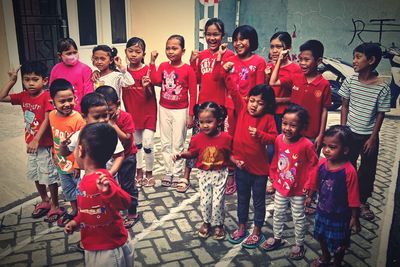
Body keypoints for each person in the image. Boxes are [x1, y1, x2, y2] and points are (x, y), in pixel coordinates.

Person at [64, 123, 134, 266]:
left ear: (81, 151)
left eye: (75, 147)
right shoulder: (85, 179)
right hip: (92, 245)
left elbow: (126, 202)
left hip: (109, 248)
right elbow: (88, 208)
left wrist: (110, 192)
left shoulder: (104, 180)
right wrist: (76, 221)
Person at [0, 61, 60, 221]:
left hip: (45, 145)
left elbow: (47, 119)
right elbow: (1, 97)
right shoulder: (23, 96)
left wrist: (36, 140)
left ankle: (55, 204)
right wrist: (12, 81)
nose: (30, 83)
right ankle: (45, 200)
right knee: (35, 174)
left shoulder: (47, 96)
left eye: (35, 79)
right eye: (27, 79)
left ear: (44, 80)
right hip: (32, 145)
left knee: (50, 176)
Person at [338, 42, 391, 220]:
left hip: (369, 136)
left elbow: (380, 114)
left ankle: (362, 201)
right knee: (348, 166)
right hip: (350, 133)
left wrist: (373, 138)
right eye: (354, 57)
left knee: (367, 170)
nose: (354, 61)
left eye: (358, 57)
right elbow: (344, 105)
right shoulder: (350, 80)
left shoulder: (382, 86)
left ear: (371, 60)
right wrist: (343, 129)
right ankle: (347, 199)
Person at [261, 104, 319, 260]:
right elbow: (276, 158)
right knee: (278, 213)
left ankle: (299, 244)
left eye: (293, 125)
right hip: (281, 186)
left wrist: (310, 187)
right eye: (284, 123)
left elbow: (314, 166)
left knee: (298, 217)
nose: (287, 128)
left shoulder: (307, 145)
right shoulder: (279, 139)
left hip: (299, 190)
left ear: (303, 126)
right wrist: (272, 175)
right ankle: (277, 237)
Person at [225, 80, 277, 249]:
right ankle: (241, 227)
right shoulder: (242, 110)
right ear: (247, 99)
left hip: (260, 171)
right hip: (242, 168)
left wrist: (260, 134)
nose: (254, 105)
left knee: (259, 201)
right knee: (242, 199)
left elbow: (274, 138)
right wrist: (227, 72)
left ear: (267, 105)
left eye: (260, 103)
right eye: (252, 100)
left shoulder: (268, 118)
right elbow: (233, 90)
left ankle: (257, 230)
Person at [216, 25, 266, 195]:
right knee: (231, 140)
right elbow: (218, 80)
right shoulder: (230, 59)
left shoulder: (258, 61)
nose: (238, 43)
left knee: (247, 141)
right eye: (235, 40)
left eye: (242, 39)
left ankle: (247, 174)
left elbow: (260, 90)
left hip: (249, 111)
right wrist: (222, 65)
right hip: (231, 108)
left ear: (251, 41)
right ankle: (231, 174)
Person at [188, 18, 236, 195]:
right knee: (199, 141)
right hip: (203, 107)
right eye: (208, 34)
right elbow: (197, 80)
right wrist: (193, 61)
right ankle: (198, 173)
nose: (212, 38)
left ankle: (229, 175)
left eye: (216, 34)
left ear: (223, 35)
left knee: (223, 143)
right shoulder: (201, 55)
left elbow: (221, 78)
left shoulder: (229, 55)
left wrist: (220, 58)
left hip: (221, 108)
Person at [173, 102, 231, 240]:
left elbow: (230, 155)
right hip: (204, 174)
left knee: (218, 202)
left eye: (209, 121)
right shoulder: (197, 138)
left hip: (220, 174)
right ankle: (206, 222)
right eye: (201, 122)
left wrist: (236, 166)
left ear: (219, 121)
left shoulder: (226, 138)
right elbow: (192, 153)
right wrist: (181, 154)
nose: (205, 125)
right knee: (205, 201)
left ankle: (219, 225)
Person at [307, 125, 361, 267]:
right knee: (321, 237)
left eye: (332, 147)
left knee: (339, 244)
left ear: (345, 150)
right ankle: (325, 257)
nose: (326, 150)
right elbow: (314, 180)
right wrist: (310, 195)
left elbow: (354, 197)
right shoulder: (322, 163)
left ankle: (337, 262)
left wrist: (355, 217)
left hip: (340, 217)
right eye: (324, 146)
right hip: (322, 211)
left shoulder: (349, 172)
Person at [149, 34, 197, 192]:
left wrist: (191, 115)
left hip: (181, 111)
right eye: (168, 48)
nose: (170, 51)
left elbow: (193, 93)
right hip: (164, 108)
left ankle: (177, 173)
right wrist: (152, 62)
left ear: (183, 50)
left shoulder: (188, 69)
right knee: (165, 142)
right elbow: (155, 80)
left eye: (174, 48)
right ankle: (168, 172)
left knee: (178, 143)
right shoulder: (163, 66)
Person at [270, 39, 331, 151]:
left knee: (309, 165)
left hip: (311, 135)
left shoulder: (324, 84)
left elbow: (324, 111)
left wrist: (321, 134)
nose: (302, 63)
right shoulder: (296, 77)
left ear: (318, 61)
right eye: (300, 59)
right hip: (292, 133)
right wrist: (279, 60)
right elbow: (273, 82)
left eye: (306, 60)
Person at [265, 31, 302, 196]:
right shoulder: (269, 66)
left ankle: (284, 179)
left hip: (285, 116)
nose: (274, 50)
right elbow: (266, 90)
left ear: (288, 48)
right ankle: (272, 179)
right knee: (270, 149)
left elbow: (297, 95)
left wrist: (279, 101)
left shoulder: (295, 69)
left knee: (284, 150)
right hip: (269, 114)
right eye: (272, 46)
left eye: (278, 47)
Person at [96, 85, 139, 228]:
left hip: (127, 157)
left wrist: (113, 125)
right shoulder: (100, 120)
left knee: (128, 185)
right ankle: (114, 211)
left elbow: (127, 138)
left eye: (109, 109)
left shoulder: (126, 117)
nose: (106, 114)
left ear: (118, 104)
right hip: (109, 158)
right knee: (111, 185)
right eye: (102, 111)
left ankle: (132, 212)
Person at [59, 92, 125, 178]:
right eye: (96, 117)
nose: (102, 120)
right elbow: (65, 153)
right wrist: (63, 145)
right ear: (84, 117)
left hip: (107, 179)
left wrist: (110, 173)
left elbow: (119, 155)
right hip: (87, 178)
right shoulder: (81, 135)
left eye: (105, 115)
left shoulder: (109, 133)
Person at [49, 78, 85, 226]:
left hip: (76, 164)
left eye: (70, 99)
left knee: (80, 190)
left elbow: (82, 144)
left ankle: (83, 214)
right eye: (61, 101)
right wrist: (54, 154)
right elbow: (54, 137)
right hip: (62, 163)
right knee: (68, 189)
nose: (66, 104)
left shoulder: (78, 119)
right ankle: (74, 210)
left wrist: (77, 164)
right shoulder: (51, 115)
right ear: (53, 102)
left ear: (75, 98)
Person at [123, 37, 157, 187]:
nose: (134, 54)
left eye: (138, 51)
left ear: (143, 54)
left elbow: (150, 94)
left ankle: (149, 172)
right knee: (136, 145)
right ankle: (139, 171)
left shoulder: (147, 70)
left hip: (148, 112)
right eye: (130, 51)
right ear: (126, 52)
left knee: (148, 143)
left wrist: (146, 86)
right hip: (132, 114)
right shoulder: (122, 71)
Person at [49, 38, 93, 112]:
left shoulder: (85, 69)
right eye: (69, 53)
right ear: (60, 55)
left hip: (79, 111)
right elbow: (51, 90)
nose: (73, 56)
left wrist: (85, 110)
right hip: (61, 110)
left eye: (75, 52)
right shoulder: (55, 69)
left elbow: (88, 92)